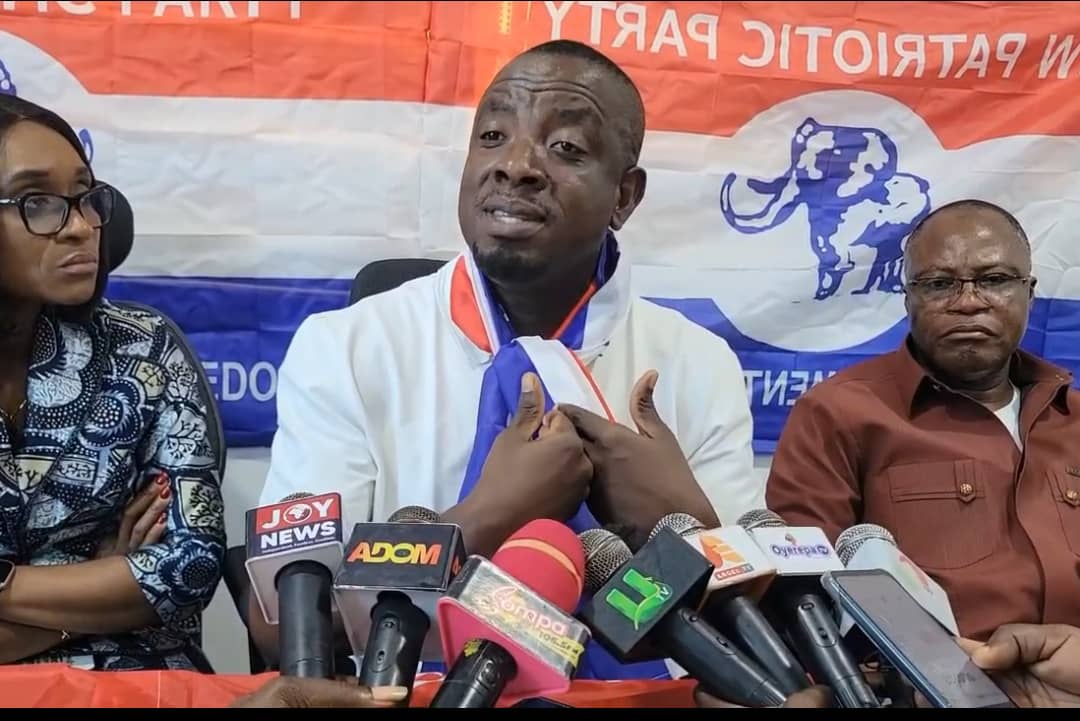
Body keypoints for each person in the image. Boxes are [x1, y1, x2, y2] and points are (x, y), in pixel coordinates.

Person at [258, 40, 759, 676]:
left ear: (625, 197)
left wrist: (678, 527)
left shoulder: (697, 363)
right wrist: (487, 518)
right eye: (493, 135)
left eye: (566, 147)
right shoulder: (347, 348)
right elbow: (286, 628)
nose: (516, 165)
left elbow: (747, 633)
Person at [767, 199, 1080, 641]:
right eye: (938, 284)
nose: (968, 302)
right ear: (908, 299)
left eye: (994, 280)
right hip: (930, 676)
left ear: (1028, 293)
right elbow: (805, 602)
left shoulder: (1072, 418)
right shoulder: (838, 414)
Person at [0, 95, 226, 671]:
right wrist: (98, 585)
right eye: (36, 202)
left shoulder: (142, 347)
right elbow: (144, 588)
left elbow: (190, 566)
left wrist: (7, 586)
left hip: (134, 672)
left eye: (86, 197)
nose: (80, 227)